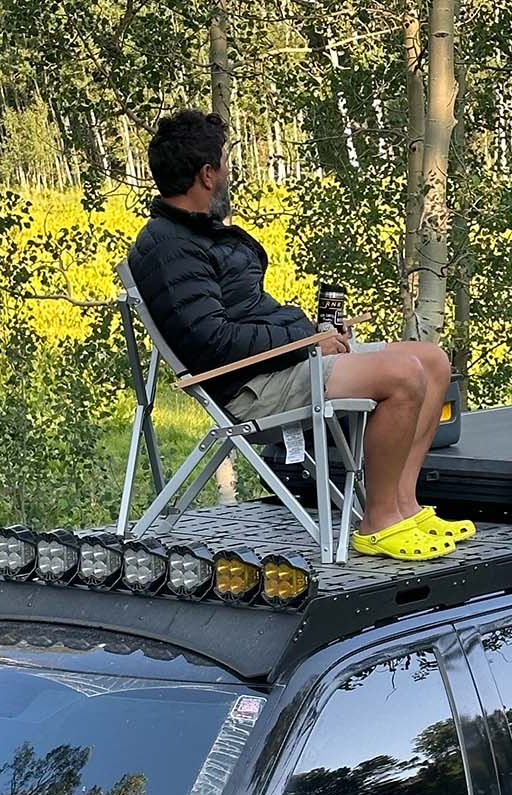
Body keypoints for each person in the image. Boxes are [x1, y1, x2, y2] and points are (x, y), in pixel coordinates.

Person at [127, 109, 474, 562]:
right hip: (248, 388)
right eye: (226, 165)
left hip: (280, 362)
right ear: (207, 175)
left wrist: (311, 334)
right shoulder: (170, 248)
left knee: (432, 360)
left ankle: (403, 507)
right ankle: (378, 523)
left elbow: (239, 320)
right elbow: (214, 342)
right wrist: (306, 339)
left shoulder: (196, 237)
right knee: (404, 374)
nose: (230, 174)